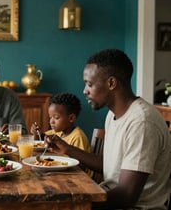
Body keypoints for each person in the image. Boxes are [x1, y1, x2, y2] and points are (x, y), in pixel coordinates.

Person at [46, 49, 171, 209]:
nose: (85, 91)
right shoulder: (113, 115)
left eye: (89, 84)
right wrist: (68, 149)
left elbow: (126, 196)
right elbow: (110, 164)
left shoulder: (142, 122)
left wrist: (73, 204)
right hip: (108, 198)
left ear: (111, 83)